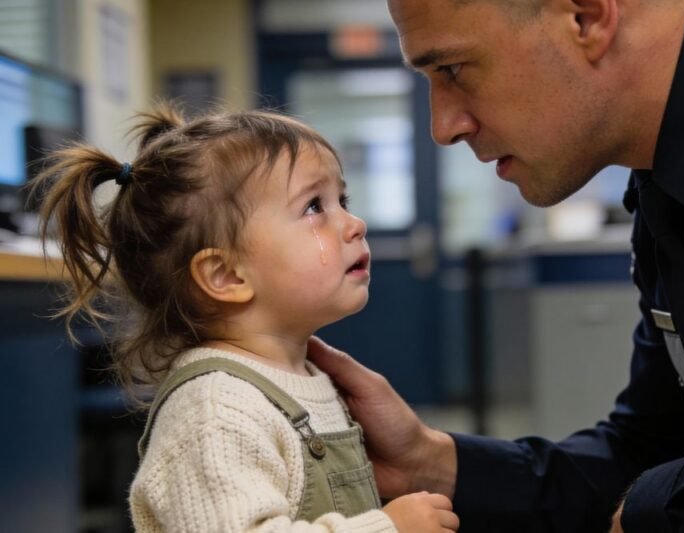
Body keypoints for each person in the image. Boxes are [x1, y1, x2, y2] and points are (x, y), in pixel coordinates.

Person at [307, 0, 684, 531]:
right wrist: (430, 464)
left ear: (585, 18)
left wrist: (644, 515)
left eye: (451, 69)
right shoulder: (668, 178)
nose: (443, 127)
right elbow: (652, 450)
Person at [31, 103, 459, 533]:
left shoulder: (301, 377)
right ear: (226, 275)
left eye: (342, 200)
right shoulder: (216, 410)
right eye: (314, 206)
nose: (355, 224)